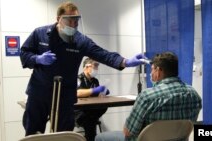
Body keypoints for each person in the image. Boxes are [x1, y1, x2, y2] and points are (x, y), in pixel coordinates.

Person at [20, 1, 146, 136]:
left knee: (63, 135)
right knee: (33, 133)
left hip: (65, 94)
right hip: (40, 91)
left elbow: (103, 54)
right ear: (59, 19)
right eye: (70, 20)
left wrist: (125, 62)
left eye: (77, 20)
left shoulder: (80, 41)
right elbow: (24, 53)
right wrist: (37, 59)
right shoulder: (40, 34)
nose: (74, 25)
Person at [95, 52, 202, 141]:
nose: (151, 73)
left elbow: (128, 132)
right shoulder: (194, 94)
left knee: (100, 137)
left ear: (159, 71)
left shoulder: (147, 96)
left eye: (152, 69)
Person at [75, 58, 109, 141]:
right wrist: (94, 90)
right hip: (80, 111)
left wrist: (103, 92)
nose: (96, 69)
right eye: (95, 66)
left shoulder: (95, 81)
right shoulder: (79, 79)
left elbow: (98, 95)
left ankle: (92, 136)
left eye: (97, 66)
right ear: (87, 67)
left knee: (104, 106)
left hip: (91, 110)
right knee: (90, 121)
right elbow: (77, 93)